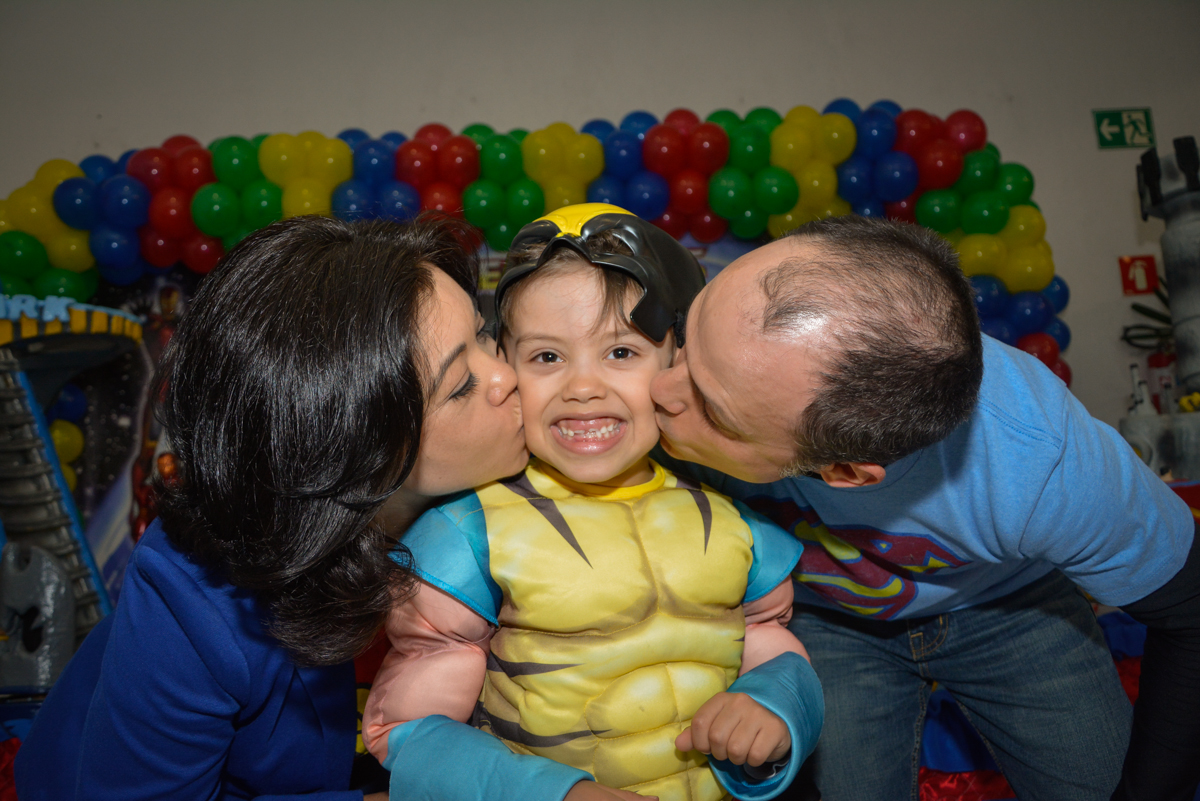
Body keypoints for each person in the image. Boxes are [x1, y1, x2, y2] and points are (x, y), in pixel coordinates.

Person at [648, 214, 1200, 801]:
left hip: (1010, 606)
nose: (658, 391)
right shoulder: (705, 368)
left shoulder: (1045, 464)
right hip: (823, 617)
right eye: (688, 333)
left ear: (844, 473)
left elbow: (1191, 617)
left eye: (710, 408)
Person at [15, 215, 560, 801]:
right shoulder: (193, 597)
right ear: (352, 447)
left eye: (483, 335)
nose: (508, 374)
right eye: (459, 385)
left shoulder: (539, 489)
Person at [362, 205, 824, 801]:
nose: (582, 387)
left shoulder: (734, 520)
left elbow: (779, 652)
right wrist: (561, 794)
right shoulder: (471, 537)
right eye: (547, 357)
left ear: (679, 362)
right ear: (505, 369)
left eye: (621, 353)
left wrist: (775, 708)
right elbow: (408, 733)